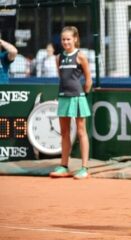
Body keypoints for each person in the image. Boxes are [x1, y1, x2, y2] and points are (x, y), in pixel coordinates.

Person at [49, 26, 92, 180]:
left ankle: (84, 168)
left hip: (78, 98)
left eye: (68, 39)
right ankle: (64, 166)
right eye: (63, 39)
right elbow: (62, 77)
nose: (65, 42)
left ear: (75, 39)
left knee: (81, 132)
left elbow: (88, 80)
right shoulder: (58, 57)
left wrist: (83, 96)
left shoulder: (80, 56)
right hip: (63, 97)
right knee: (65, 132)